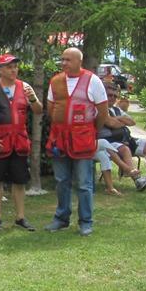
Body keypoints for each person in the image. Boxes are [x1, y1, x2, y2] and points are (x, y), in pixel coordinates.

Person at [44, 47, 108, 236]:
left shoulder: (93, 81)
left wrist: (90, 132)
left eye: (68, 60)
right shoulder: (55, 81)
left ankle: (86, 221)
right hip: (59, 139)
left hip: (83, 140)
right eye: (62, 59)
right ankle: (61, 218)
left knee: (83, 183)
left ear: (79, 61)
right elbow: (51, 110)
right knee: (61, 180)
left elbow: (102, 112)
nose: (64, 63)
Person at [0, 54, 42, 231]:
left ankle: (20, 217)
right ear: (0, 70)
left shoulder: (25, 87)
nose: (13, 70)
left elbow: (38, 110)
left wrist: (34, 99)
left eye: (15, 67)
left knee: (19, 180)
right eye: (9, 67)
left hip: (19, 141)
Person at [101, 82, 146, 190]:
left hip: (126, 139)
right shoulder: (101, 109)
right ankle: (137, 180)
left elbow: (132, 122)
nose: (112, 98)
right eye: (109, 95)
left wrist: (116, 119)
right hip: (110, 141)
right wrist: (120, 121)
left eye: (115, 96)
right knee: (124, 149)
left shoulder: (117, 110)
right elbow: (111, 124)